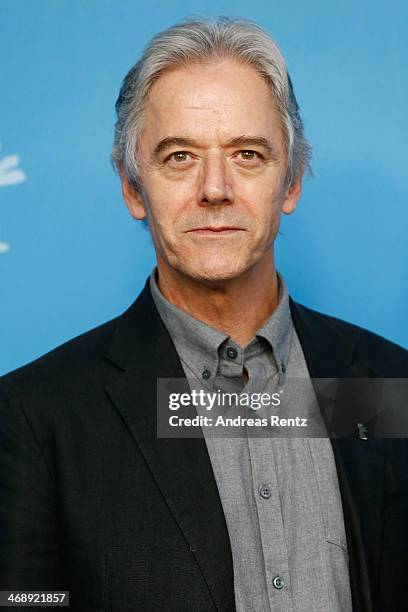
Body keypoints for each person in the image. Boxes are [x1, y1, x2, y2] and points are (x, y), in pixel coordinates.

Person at [1, 17, 407, 612]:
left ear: (290, 181)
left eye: (247, 154)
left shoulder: (385, 384)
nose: (214, 189)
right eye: (179, 156)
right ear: (134, 188)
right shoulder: (36, 418)